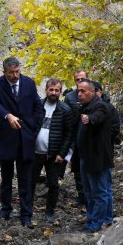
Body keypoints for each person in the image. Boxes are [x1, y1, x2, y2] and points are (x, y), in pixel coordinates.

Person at [0, 57, 43, 228]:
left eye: (17, 72)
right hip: (6, 138)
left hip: (26, 139)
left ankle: (26, 214)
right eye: (11, 73)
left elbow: (37, 106)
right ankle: (5, 209)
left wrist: (33, 126)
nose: (15, 75)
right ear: (4, 71)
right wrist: (8, 116)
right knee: (6, 178)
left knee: (25, 179)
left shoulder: (29, 83)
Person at [31, 78, 75, 223]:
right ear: (46, 90)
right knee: (30, 182)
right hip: (35, 153)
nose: (53, 92)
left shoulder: (65, 110)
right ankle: (27, 210)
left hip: (54, 155)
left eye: (57, 90)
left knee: (53, 184)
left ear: (60, 92)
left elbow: (69, 134)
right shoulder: (37, 105)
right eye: (51, 89)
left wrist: (62, 154)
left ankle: (49, 212)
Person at [75, 79, 114, 233]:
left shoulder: (100, 106)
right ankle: (92, 219)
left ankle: (97, 224)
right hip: (86, 157)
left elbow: (98, 117)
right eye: (78, 91)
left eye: (83, 91)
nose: (79, 94)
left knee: (99, 192)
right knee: (89, 192)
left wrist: (89, 119)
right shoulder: (84, 107)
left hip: (97, 158)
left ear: (92, 92)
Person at [91, 80, 121, 225]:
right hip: (94, 154)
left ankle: (105, 219)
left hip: (104, 153)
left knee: (104, 188)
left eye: (95, 91)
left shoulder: (109, 108)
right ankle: (102, 217)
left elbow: (115, 129)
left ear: (100, 92)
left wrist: (100, 138)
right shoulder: (89, 108)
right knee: (99, 188)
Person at [63, 69, 88, 206]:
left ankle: (90, 194)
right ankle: (81, 195)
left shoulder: (94, 93)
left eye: (82, 79)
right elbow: (65, 115)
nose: (80, 81)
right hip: (74, 135)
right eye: (77, 79)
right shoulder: (70, 96)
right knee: (77, 167)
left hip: (90, 136)